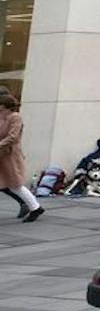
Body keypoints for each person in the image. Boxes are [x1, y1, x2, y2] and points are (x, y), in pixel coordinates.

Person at [0, 92, 43, 222]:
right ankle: (34, 207)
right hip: (3, 154)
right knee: (12, 184)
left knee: (15, 184)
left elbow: (13, 136)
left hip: (10, 155)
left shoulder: (15, 117)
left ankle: (35, 207)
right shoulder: (3, 116)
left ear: (5, 105)